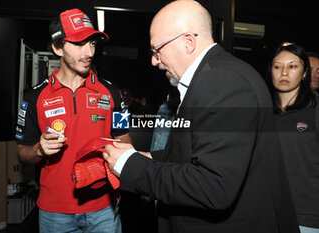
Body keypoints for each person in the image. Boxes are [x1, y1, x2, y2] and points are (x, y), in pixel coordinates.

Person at [102, 1, 300, 233]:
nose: (154, 61)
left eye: (157, 50)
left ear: (188, 42)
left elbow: (214, 186)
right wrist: (149, 157)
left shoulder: (222, 82)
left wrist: (130, 165)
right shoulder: (212, 77)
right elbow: (197, 151)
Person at [15, 8, 131, 233]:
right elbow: (22, 152)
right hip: (54, 212)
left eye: (93, 43)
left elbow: (124, 138)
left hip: (104, 210)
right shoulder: (34, 97)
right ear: (57, 47)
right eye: (79, 43)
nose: (89, 52)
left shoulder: (113, 92)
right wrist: (39, 149)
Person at [266, 42, 319, 233]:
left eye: (293, 66)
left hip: (306, 218)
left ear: (304, 73)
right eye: (278, 66)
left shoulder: (314, 110)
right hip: (266, 214)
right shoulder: (261, 112)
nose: (284, 73)